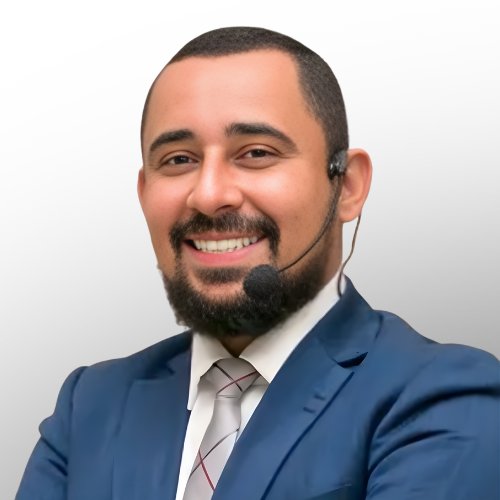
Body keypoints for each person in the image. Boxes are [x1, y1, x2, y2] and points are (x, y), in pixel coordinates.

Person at [16, 26, 499, 500]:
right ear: (144, 194)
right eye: (179, 160)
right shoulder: (90, 406)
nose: (209, 195)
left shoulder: (443, 397)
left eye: (256, 153)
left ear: (347, 186)